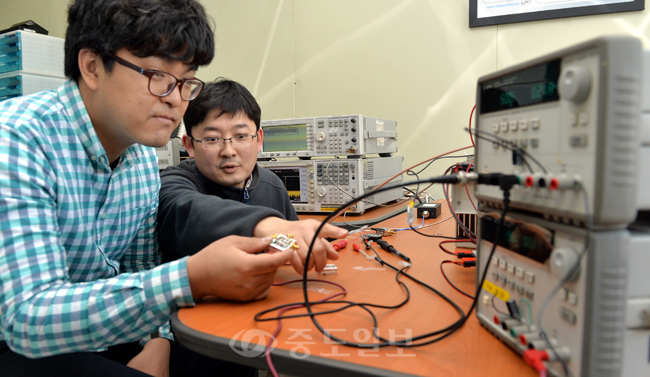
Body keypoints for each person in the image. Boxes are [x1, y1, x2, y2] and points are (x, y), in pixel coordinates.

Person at [0, 1, 335, 376]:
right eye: (157, 76)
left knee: (234, 352)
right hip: (26, 343)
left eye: (185, 81)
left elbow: (142, 266)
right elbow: (27, 319)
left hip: (111, 331)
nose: (176, 99)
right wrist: (193, 277)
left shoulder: (141, 156)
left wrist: (157, 341)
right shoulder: (16, 139)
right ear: (92, 66)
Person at [158, 78, 348, 274]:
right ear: (189, 145)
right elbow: (188, 211)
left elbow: (292, 246)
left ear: (259, 140)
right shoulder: (174, 184)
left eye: (241, 136)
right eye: (212, 139)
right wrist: (265, 224)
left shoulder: (271, 183)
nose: (228, 151)